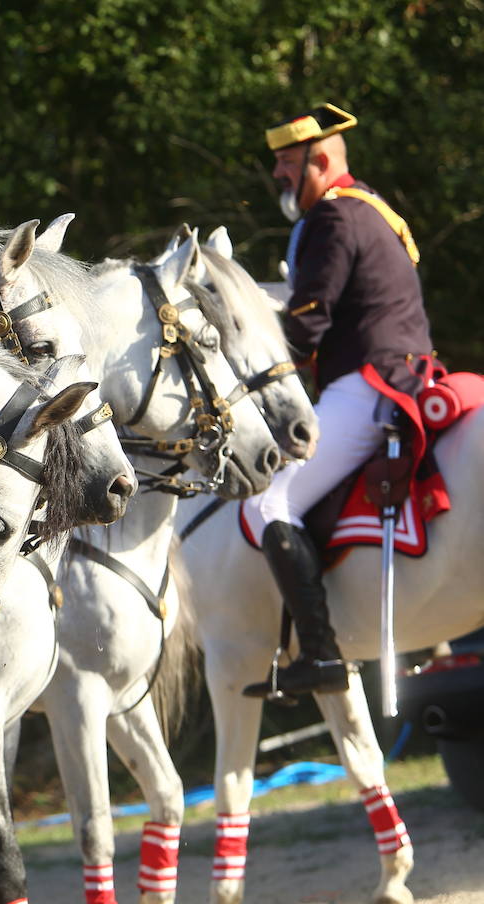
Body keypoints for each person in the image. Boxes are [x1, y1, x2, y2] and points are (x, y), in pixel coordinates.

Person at [243, 103, 433, 698]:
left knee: (266, 502)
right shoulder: (373, 208)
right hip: (404, 375)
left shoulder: (332, 217)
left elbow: (305, 327)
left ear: (319, 162)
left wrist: (249, 367)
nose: (277, 173)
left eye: (286, 162)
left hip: (370, 385)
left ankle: (321, 656)